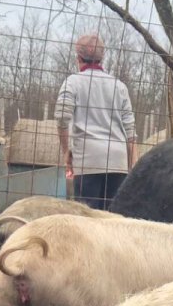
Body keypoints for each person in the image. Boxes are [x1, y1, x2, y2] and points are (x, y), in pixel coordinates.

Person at [55, 34, 137, 209]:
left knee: (88, 220)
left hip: (88, 161)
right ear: (103, 57)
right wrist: (132, 164)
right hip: (117, 162)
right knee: (112, 219)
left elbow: (62, 118)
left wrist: (66, 151)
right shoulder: (119, 86)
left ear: (78, 57)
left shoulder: (73, 82)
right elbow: (130, 131)